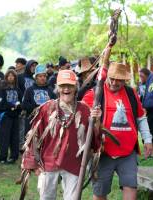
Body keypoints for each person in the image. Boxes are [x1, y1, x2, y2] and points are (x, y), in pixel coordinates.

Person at [22, 70, 102, 200]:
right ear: (57, 88)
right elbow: (34, 136)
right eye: (63, 86)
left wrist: (97, 122)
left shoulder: (85, 110)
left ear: (76, 87)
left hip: (74, 164)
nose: (66, 89)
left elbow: (93, 142)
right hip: (48, 163)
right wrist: (34, 163)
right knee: (46, 197)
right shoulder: (47, 108)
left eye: (70, 86)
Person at [82, 62, 153, 200]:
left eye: (119, 80)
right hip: (102, 152)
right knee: (100, 191)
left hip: (127, 151)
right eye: (112, 78)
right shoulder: (94, 94)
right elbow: (81, 121)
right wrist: (92, 117)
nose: (114, 82)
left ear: (124, 80)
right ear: (107, 76)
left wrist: (148, 139)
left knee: (131, 186)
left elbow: (141, 118)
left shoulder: (131, 93)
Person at [22, 64, 56, 136]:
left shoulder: (50, 90)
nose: (42, 78)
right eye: (40, 76)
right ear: (36, 78)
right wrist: (36, 108)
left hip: (47, 122)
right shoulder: (29, 90)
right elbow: (24, 104)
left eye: (44, 76)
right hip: (32, 122)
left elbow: (55, 103)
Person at [0, 69, 22, 164]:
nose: (11, 77)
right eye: (9, 76)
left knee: (15, 137)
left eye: (13, 76)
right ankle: (3, 158)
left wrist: (18, 107)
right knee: (4, 137)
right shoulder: (2, 89)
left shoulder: (18, 90)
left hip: (15, 116)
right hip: (6, 116)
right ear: (6, 77)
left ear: (15, 78)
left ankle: (13, 157)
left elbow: (21, 101)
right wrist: (10, 106)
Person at [17, 59, 38, 150]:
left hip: (30, 109)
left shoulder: (34, 80)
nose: (33, 68)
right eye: (32, 66)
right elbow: (17, 90)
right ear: (28, 66)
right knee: (19, 129)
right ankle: (17, 148)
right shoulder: (19, 77)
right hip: (19, 106)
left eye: (35, 66)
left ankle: (24, 148)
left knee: (26, 129)